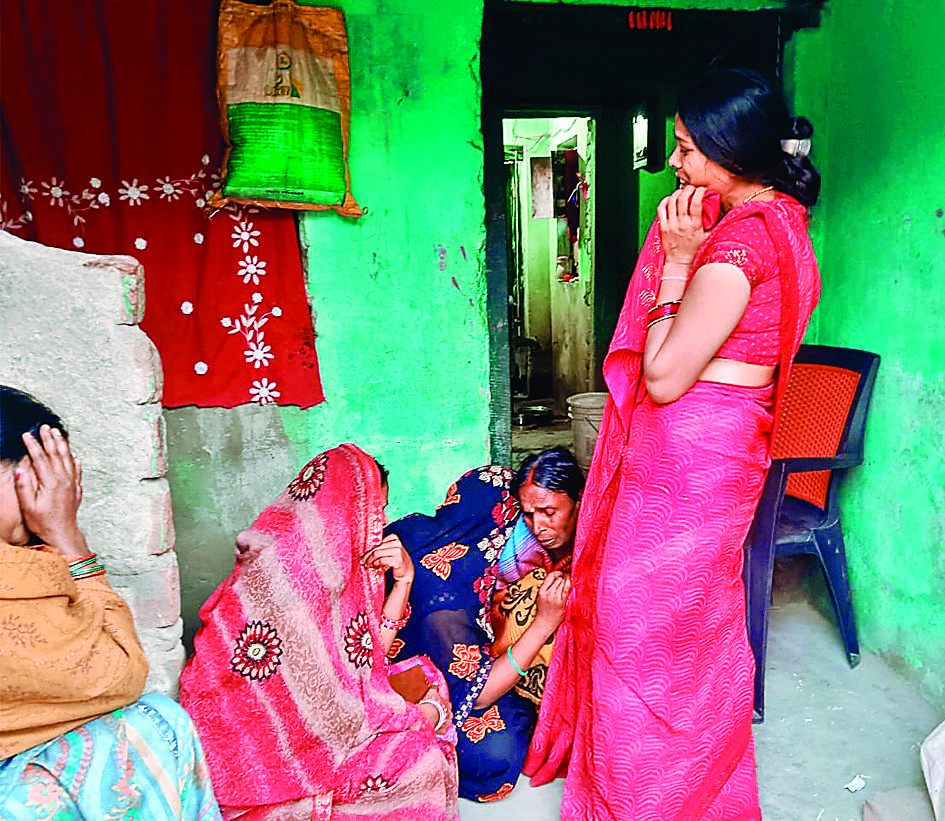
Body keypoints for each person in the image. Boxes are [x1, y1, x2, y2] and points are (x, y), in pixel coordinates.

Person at [522, 68, 823, 820]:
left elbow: (661, 376)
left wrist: (680, 263)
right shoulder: (784, 221)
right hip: (713, 461)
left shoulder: (737, 245)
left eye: (686, 148)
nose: (674, 163)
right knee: (689, 628)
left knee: (638, 627)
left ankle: (643, 797)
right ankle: (693, 788)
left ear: (730, 151)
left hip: (690, 473)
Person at [179, 443, 459, 821]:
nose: (380, 524)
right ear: (342, 508)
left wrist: (404, 581)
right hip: (273, 768)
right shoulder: (286, 578)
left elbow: (366, 658)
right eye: (375, 512)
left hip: (322, 731)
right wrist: (412, 717)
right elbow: (324, 715)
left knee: (427, 679)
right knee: (422, 760)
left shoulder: (333, 565)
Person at [0, 385, 221, 820]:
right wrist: (68, 538)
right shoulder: (25, 569)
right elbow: (117, 673)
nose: (59, 494)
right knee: (153, 725)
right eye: (43, 473)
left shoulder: (26, 567)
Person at [384, 447, 583, 802]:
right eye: (528, 514)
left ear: (579, 499)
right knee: (490, 751)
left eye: (550, 512)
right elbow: (478, 695)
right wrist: (543, 622)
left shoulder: (595, 547)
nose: (539, 526)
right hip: (443, 642)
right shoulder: (450, 600)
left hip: (477, 650)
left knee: (493, 752)